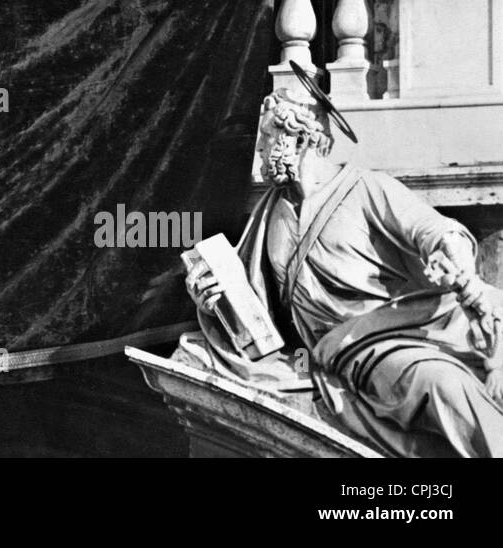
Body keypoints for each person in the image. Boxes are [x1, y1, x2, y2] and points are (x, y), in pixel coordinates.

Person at [179, 86, 503, 457]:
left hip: (390, 335)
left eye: (266, 139)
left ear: (296, 138)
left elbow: (433, 229)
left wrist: (456, 261)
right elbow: (252, 304)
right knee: (437, 382)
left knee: (439, 383)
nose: (260, 153)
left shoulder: (365, 187)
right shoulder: (270, 212)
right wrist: (211, 300)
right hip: (336, 355)